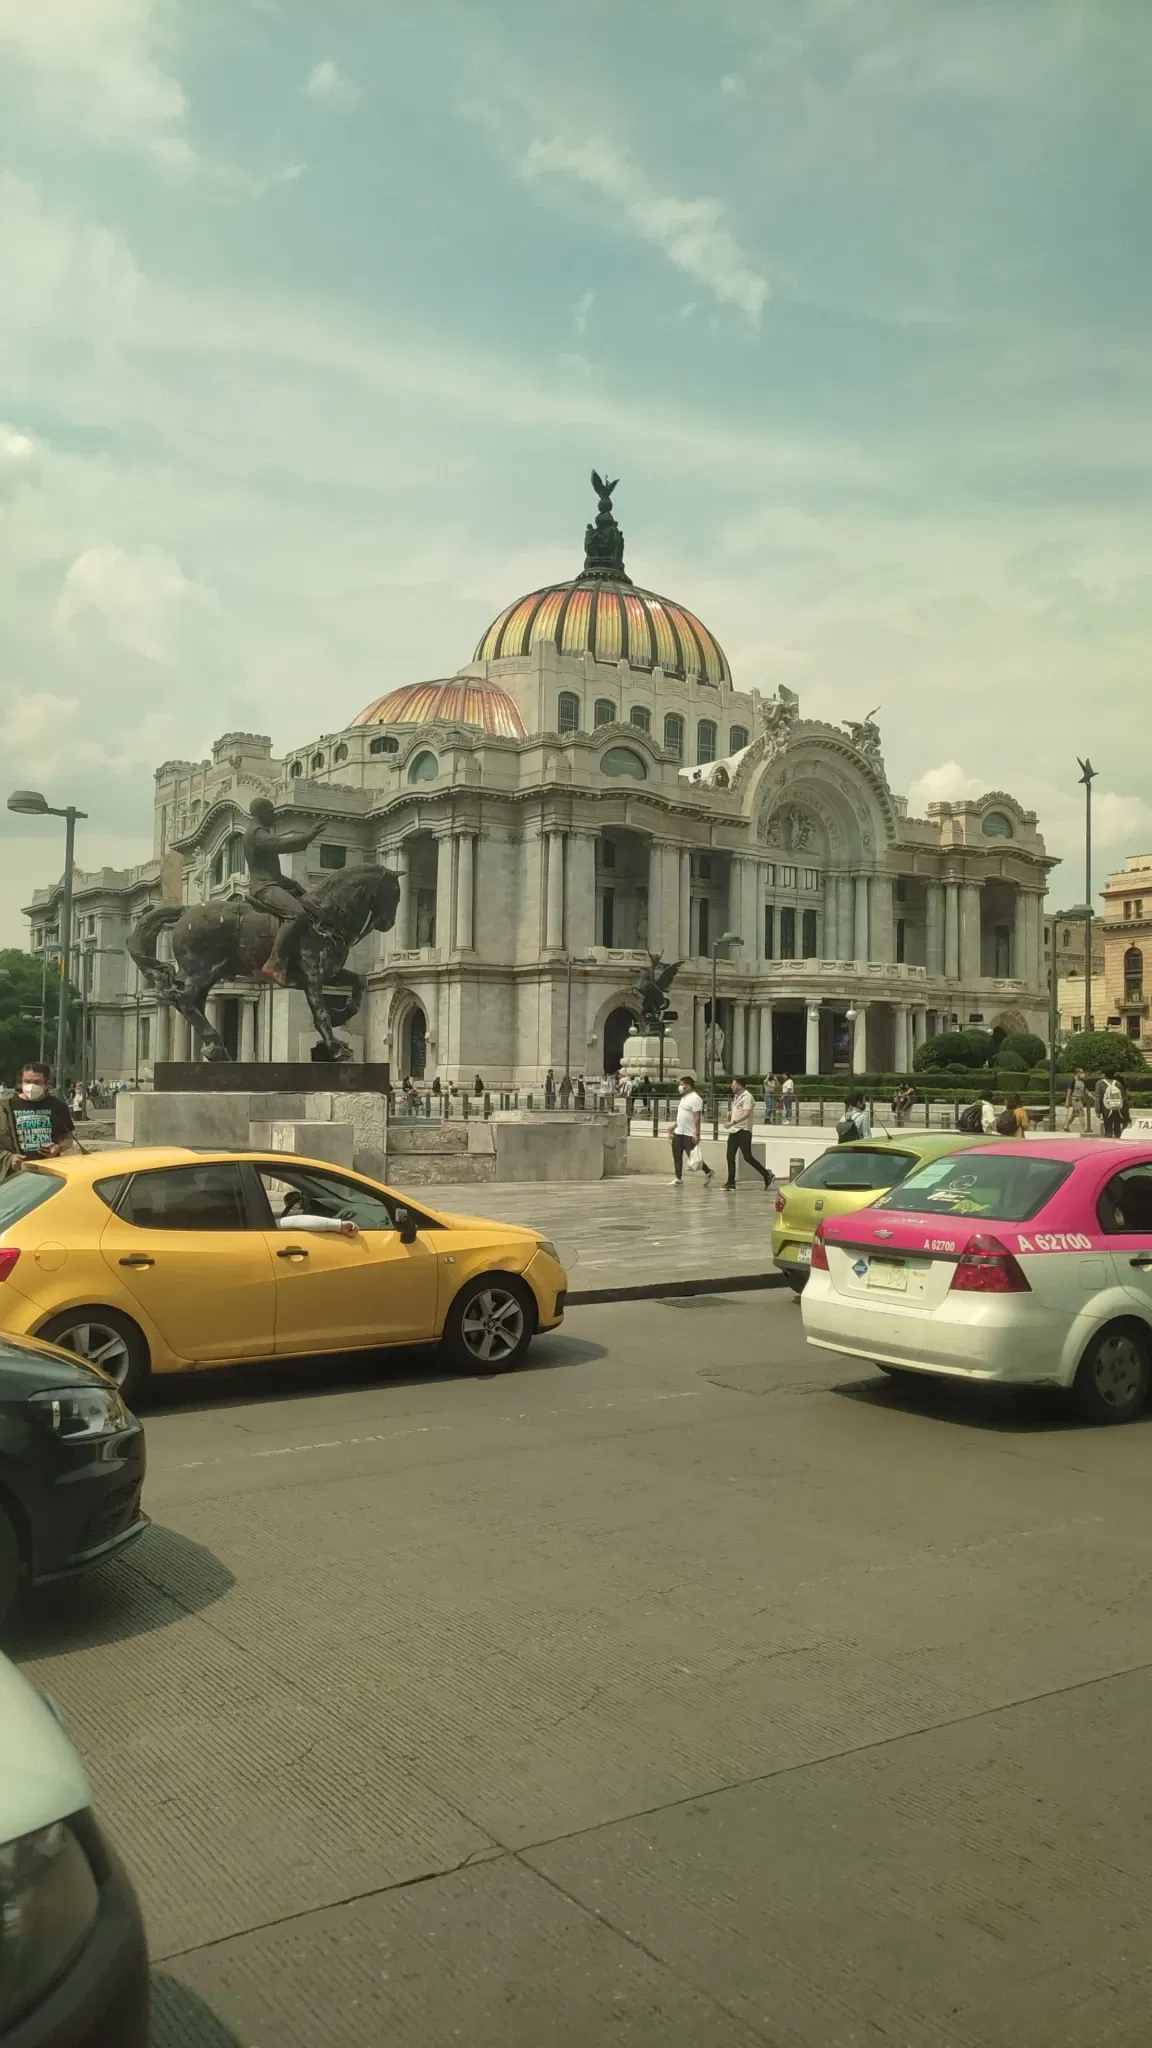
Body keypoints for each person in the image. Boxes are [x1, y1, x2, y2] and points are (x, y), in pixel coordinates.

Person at [243, 796, 331, 986]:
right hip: (264, 887)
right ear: (262, 813)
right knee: (296, 914)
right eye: (271, 812)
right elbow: (280, 844)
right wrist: (307, 837)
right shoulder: (256, 833)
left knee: (310, 906)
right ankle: (274, 963)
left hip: (272, 883)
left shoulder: (257, 832)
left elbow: (274, 873)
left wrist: (297, 886)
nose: (274, 816)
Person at [4, 1063, 77, 1166]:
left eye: (37, 1082)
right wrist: (10, 1158)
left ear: (46, 1084)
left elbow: (68, 1139)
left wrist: (58, 1148)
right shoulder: (7, 1107)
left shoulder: (58, 1105)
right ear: (21, 1082)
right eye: (27, 1081)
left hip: (49, 1167)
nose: (31, 1086)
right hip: (18, 1171)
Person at [723, 1077, 774, 1191]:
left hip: (744, 1131)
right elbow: (739, 1112)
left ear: (739, 1086)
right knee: (730, 1156)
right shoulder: (737, 1097)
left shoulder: (747, 1097)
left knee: (748, 1157)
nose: (731, 1087)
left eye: (733, 1085)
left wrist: (733, 1122)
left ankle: (767, 1175)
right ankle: (731, 1182)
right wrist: (730, 1116)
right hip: (734, 1131)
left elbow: (747, 1113)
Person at [667, 1073, 714, 1186]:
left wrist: (696, 1134)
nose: (680, 1087)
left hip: (689, 1134)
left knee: (693, 1158)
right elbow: (682, 1115)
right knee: (677, 1156)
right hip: (678, 1132)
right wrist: (673, 1127)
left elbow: (697, 1118)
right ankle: (678, 1178)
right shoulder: (684, 1097)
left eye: (681, 1084)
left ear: (688, 1086)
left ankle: (708, 1171)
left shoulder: (696, 1099)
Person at [1096, 1067, 1129, 1140]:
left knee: (1108, 1127)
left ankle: (1108, 1140)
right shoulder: (1117, 1083)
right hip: (1118, 1108)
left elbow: (1098, 1097)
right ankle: (1118, 1140)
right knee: (1117, 1127)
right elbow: (1124, 1097)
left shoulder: (1100, 1083)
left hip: (1106, 1108)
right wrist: (1125, 1111)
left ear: (1104, 1074)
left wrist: (1097, 1110)